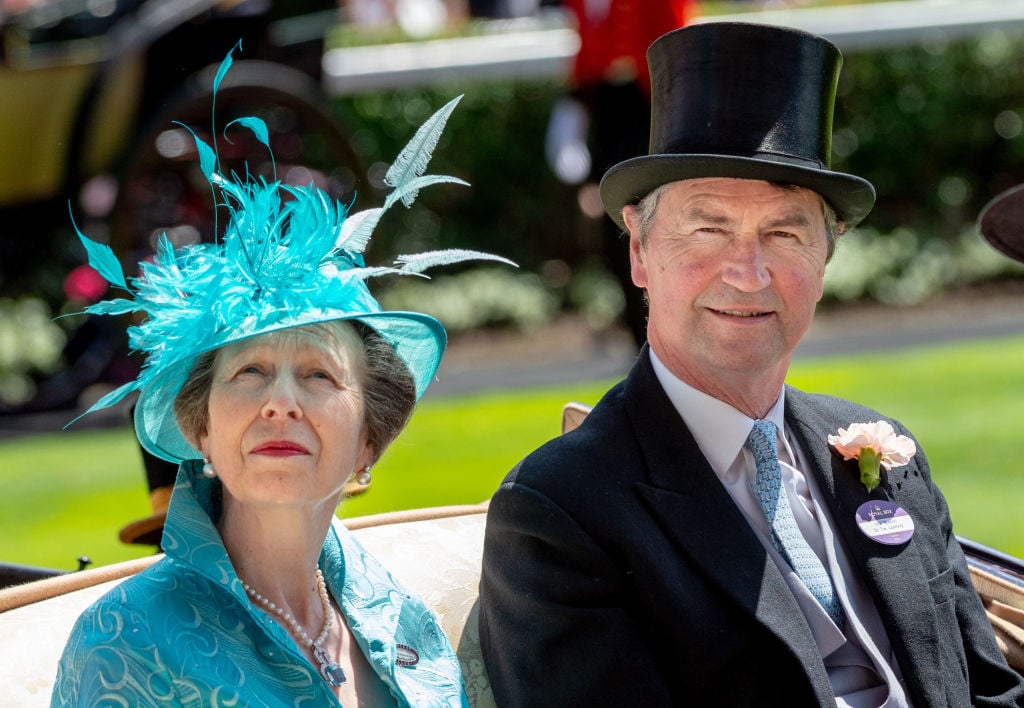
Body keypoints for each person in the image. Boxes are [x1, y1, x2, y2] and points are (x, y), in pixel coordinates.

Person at [478, 22, 1024, 707]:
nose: (748, 272)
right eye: (709, 230)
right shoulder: (561, 510)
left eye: (784, 232)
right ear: (639, 253)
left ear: (826, 257)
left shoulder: (885, 451)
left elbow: (993, 693)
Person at [52, 47, 512, 707]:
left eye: (320, 374)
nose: (280, 403)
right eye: (249, 371)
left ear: (367, 443)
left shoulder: (403, 621)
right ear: (201, 429)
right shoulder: (127, 644)